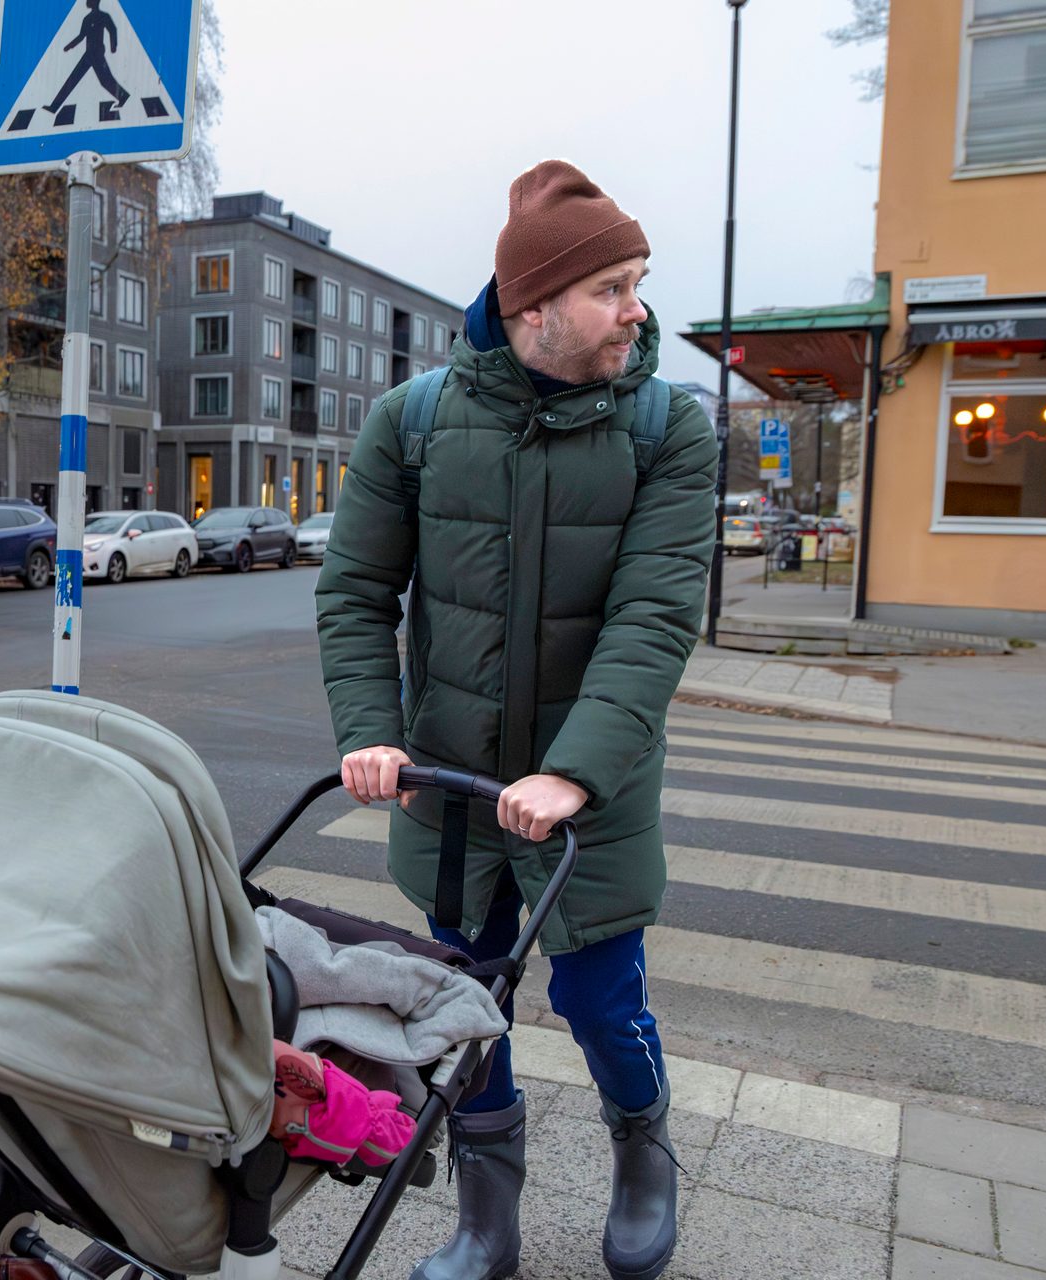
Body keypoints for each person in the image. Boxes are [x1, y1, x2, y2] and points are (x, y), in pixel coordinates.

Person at [315, 160, 717, 1280]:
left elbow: (652, 617)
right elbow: (355, 592)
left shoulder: (666, 429)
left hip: (589, 797)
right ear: (535, 304)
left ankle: (644, 1149)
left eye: (638, 281)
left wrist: (576, 771)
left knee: (600, 997)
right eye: (614, 288)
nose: (638, 308)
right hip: (451, 791)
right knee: (463, 1002)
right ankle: (488, 1217)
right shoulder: (416, 420)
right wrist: (371, 726)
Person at [47, 0, 130, 116]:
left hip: (97, 54)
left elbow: (113, 29)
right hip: (89, 54)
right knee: (73, 79)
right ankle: (54, 107)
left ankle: (123, 95)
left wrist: (113, 46)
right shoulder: (87, 18)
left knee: (105, 81)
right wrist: (69, 46)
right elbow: (81, 36)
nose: (87, 2)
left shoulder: (103, 16)